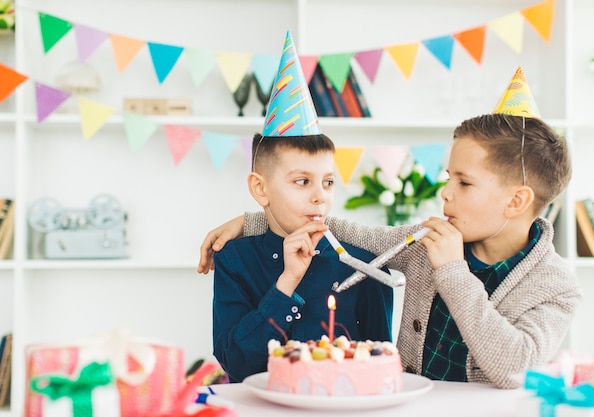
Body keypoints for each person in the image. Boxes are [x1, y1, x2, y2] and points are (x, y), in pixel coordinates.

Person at [199, 67, 583, 389]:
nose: (445, 194)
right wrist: (255, 220)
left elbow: (514, 368)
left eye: (463, 183)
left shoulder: (555, 285)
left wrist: (452, 272)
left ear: (516, 201)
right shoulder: (424, 243)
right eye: (449, 177)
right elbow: (355, 234)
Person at [211, 31, 394, 383]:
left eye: (327, 182)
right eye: (301, 181)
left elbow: (378, 367)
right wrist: (286, 283)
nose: (319, 197)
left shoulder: (364, 267)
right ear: (260, 189)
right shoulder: (234, 261)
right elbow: (236, 364)